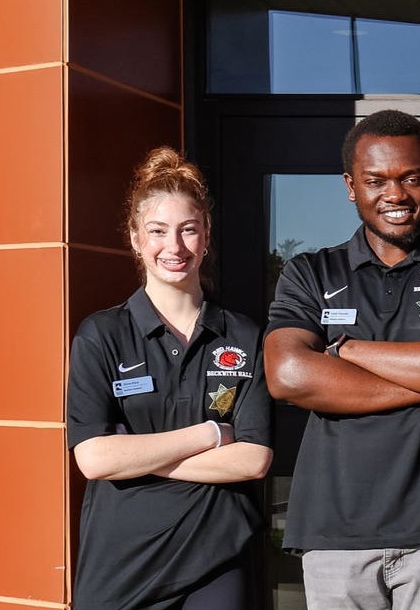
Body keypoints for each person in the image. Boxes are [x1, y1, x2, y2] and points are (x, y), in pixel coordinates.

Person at [263, 109, 420, 608]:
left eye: (411, 178)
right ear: (351, 186)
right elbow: (288, 374)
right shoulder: (310, 271)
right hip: (333, 531)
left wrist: (346, 351)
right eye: (375, 180)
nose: (395, 195)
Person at [67, 146, 272, 609]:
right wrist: (210, 433)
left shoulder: (242, 335)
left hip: (218, 556)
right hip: (121, 563)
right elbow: (95, 460)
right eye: (158, 231)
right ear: (136, 238)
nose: (173, 247)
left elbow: (253, 460)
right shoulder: (103, 335)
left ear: (206, 236)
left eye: (188, 230)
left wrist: (136, 453)